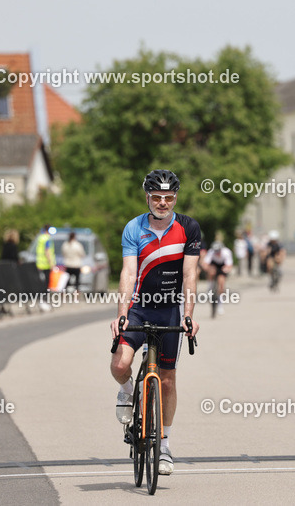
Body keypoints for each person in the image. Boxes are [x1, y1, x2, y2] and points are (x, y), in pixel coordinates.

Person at [110, 169, 201, 477]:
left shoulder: (188, 227)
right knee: (120, 364)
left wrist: (188, 315)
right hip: (138, 308)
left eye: (169, 198)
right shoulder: (134, 228)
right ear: (147, 196)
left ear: (176, 198)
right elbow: (128, 273)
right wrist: (122, 313)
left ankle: (163, 444)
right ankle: (126, 392)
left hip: (169, 311)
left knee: (168, 380)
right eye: (157, 197)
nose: (163, 203)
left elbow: (190, 275)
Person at [202, 240, 233, 315]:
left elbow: (229, 265)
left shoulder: (226, 252)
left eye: (218, 251)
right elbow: (205, 264)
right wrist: (208, 269)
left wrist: (226, 269)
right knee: (211, 271)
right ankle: (210, 286)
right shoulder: (211, 252)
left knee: (221, 283)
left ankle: (220, 305)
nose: (217, 253)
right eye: (216, 251)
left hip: (223, 266)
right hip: (214, 265)